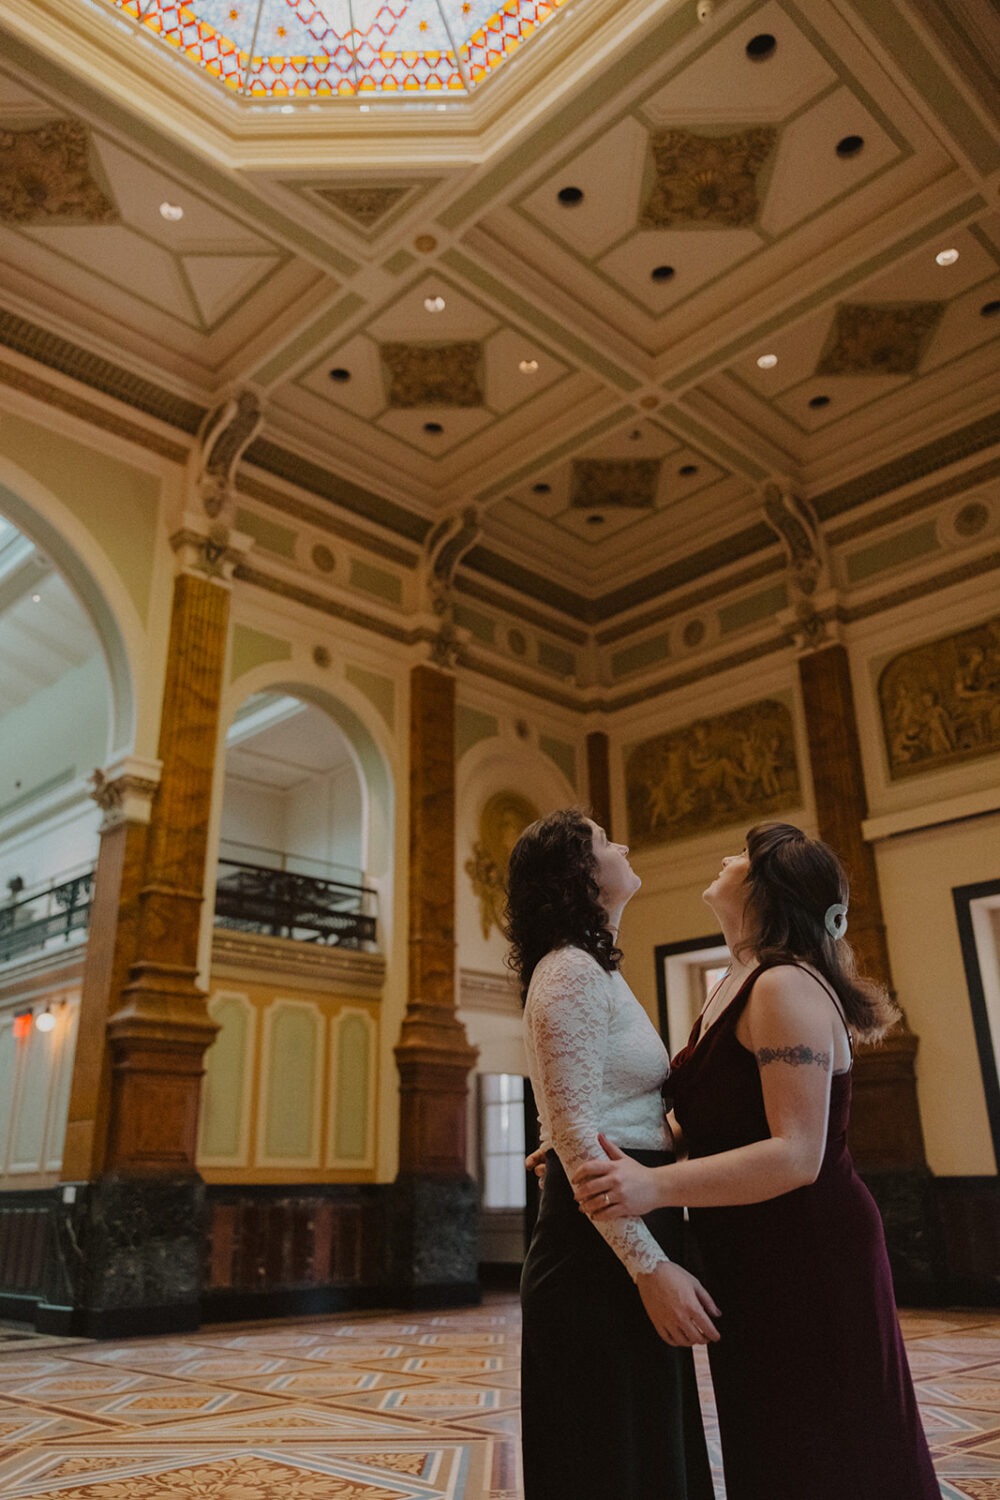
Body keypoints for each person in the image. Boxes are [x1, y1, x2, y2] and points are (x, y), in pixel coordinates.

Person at [571, 821, 941, 1500]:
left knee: (830, 1446)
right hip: (753, 1252)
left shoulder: (783, 988)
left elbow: (796, 1154)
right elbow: (714, 1121)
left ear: (769, 888)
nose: (723, 858)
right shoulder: (739, 981)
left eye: (741, 855)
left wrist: (650, 1185)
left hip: (809, 1254)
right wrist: (600, 1144)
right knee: (773, 1440)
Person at [506, 808, 717, 1500]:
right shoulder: (568, 969)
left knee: (644, 1444)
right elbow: (572, 1130)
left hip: (627, 1216)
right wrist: (651, 1268)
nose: (621, 845)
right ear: (578, 872)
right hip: (599, 1250)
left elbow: (625, 1116)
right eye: (603, 840)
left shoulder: (595, 968)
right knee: (607, 1457)